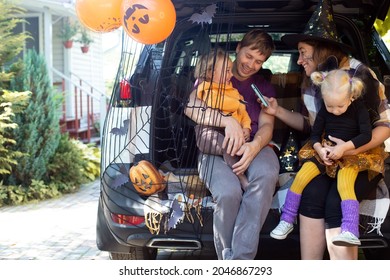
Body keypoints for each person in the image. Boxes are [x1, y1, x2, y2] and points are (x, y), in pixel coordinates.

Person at [263, 0, 390, 259]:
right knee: (309, 195)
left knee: (336, 202)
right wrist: (277, 112)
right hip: (327, 156)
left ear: (321, 49)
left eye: (302, 52)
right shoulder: (313, 82)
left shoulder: (360, 75)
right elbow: (310, 124)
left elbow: (384, 128)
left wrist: (346, 148)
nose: (298, 60)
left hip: (362, 157)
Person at [184, 29, 279, 260]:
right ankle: (229, 262)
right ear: (238, 48)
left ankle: (239, 262)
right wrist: (227, 122)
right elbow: (191, 108)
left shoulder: (264, 87)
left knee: (265, 176)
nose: (251, 65)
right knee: (228, 193)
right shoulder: (213, 75)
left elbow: (267, 126)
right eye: (248, 56)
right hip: (215, 148)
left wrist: (253, 146)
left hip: (254, 145)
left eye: (259, 61)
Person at [270, 69, 386, 246]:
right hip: (326, 151)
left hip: (352, 153)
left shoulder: (359, 109)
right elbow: (315, 134)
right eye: (330, 106)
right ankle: (287, 219)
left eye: (340, 106)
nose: (335, 111)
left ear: (351, 97)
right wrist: (319, 149)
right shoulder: (326, 109)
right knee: (301, 177)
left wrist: (345, 148)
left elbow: (366, 136)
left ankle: (349, 230)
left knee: (344, 184)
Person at [193, 48, 252, 189]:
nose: (231, 75)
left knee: (232, 143)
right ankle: (241, 176)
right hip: (208, 132)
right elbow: (215, 102)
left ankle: (237, 164)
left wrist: (246, 127)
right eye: (226, 71)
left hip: (230, 132)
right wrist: (238, 102)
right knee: (228, 144)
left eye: (231, 70)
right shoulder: (206, 88)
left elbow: (243, 112)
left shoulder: (232, 90)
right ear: (209, 73)